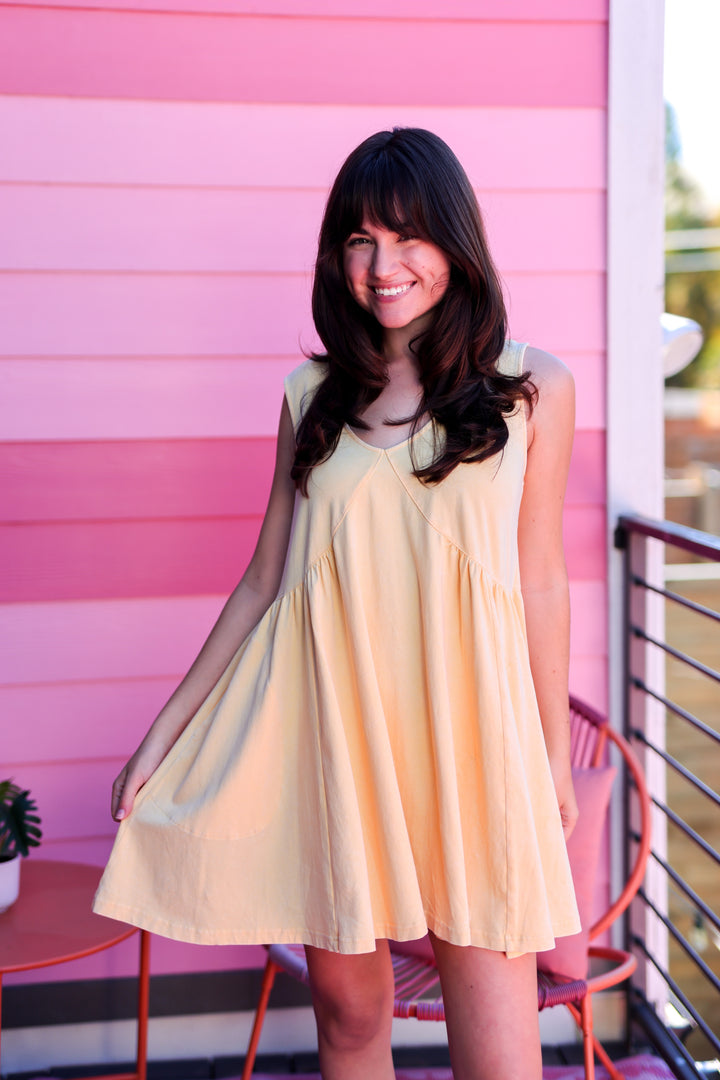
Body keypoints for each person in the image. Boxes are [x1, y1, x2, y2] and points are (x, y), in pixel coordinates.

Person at [94, 127, 580, 1080]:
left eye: (407, 237)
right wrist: (162, 737)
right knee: (350, 1018)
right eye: (359, 239)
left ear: (456, 242)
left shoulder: (531, 388)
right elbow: (263, 579)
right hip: (338, 742)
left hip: (474, 744)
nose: (383, 265)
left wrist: (552, 759)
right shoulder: (312, 394)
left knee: (500, 1048)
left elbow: (540, 579)